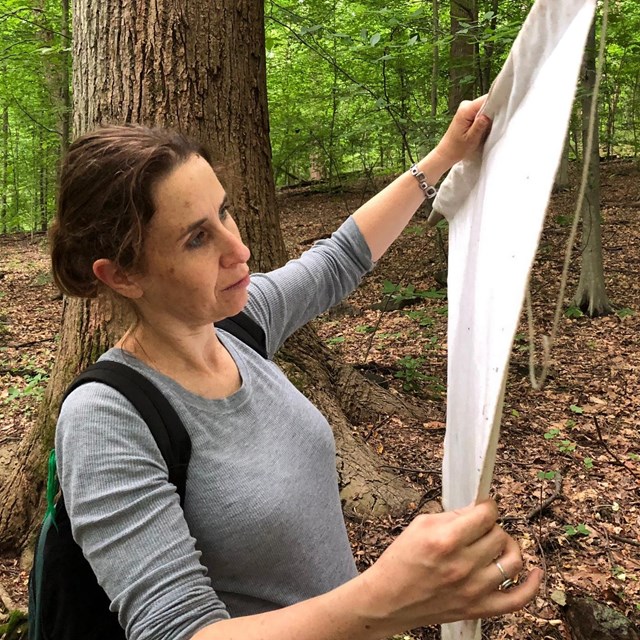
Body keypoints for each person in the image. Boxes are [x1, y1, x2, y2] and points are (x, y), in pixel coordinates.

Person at [49, 96, 542, 640]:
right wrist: (388, 598)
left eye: (225, 211)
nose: (239, 248)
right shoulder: (105, 419)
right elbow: (176, 632)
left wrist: (445, 156)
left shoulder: (240, 321)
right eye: (197, 238)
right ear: (122, 276)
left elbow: (338, 259)